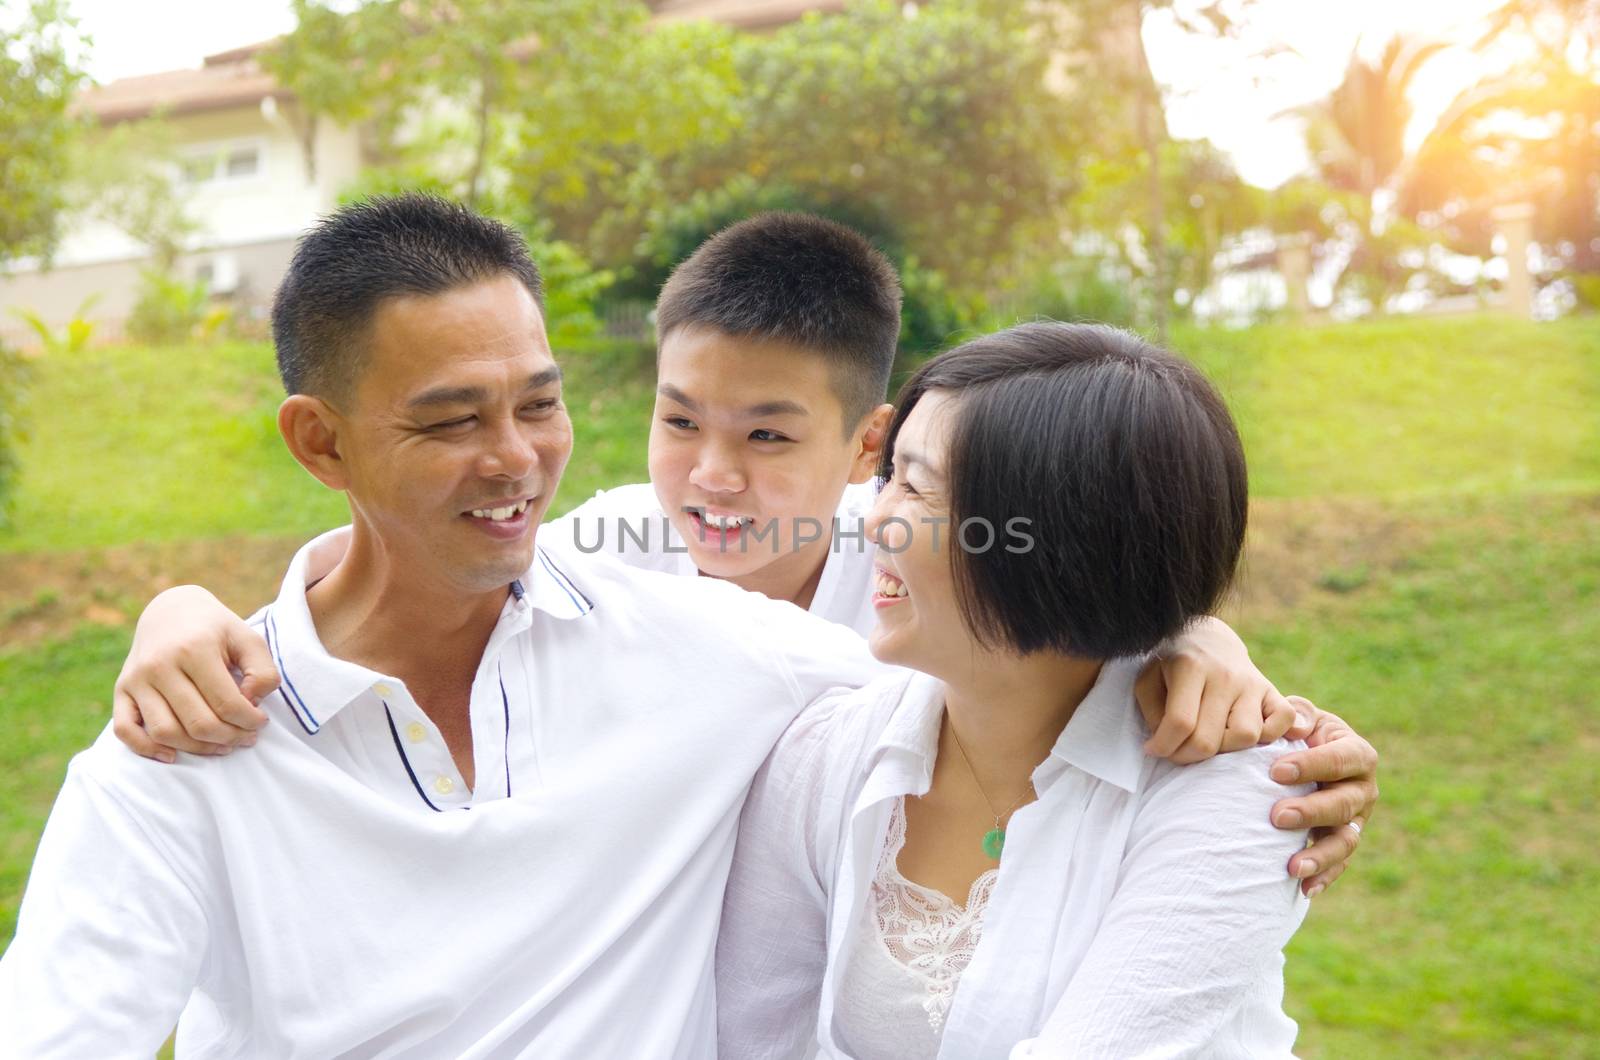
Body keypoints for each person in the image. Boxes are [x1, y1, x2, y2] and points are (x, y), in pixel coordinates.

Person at [111, 213, 1377, 895]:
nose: (711, 475)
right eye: (678, 420)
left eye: (769, 435)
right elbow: (403, 548)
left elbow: (1069, 598)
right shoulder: (605, 547)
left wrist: (1186, 635)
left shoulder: (928, 579)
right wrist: (178, 608)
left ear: (867, 446)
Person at [0, 195, 889, 1056]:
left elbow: (978, 705)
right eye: (453, 419)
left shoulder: (712, 647)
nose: (516, 459)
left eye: (539, 405)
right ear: (321, 443)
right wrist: (179, 609)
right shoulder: (179, 753)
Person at [717, 322, 1319, 1058]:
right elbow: (752, 1037)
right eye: (888, 479)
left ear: (1060, 542)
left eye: (917, 487)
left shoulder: (1236, 789)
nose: (874, 521)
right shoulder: (825, 755)